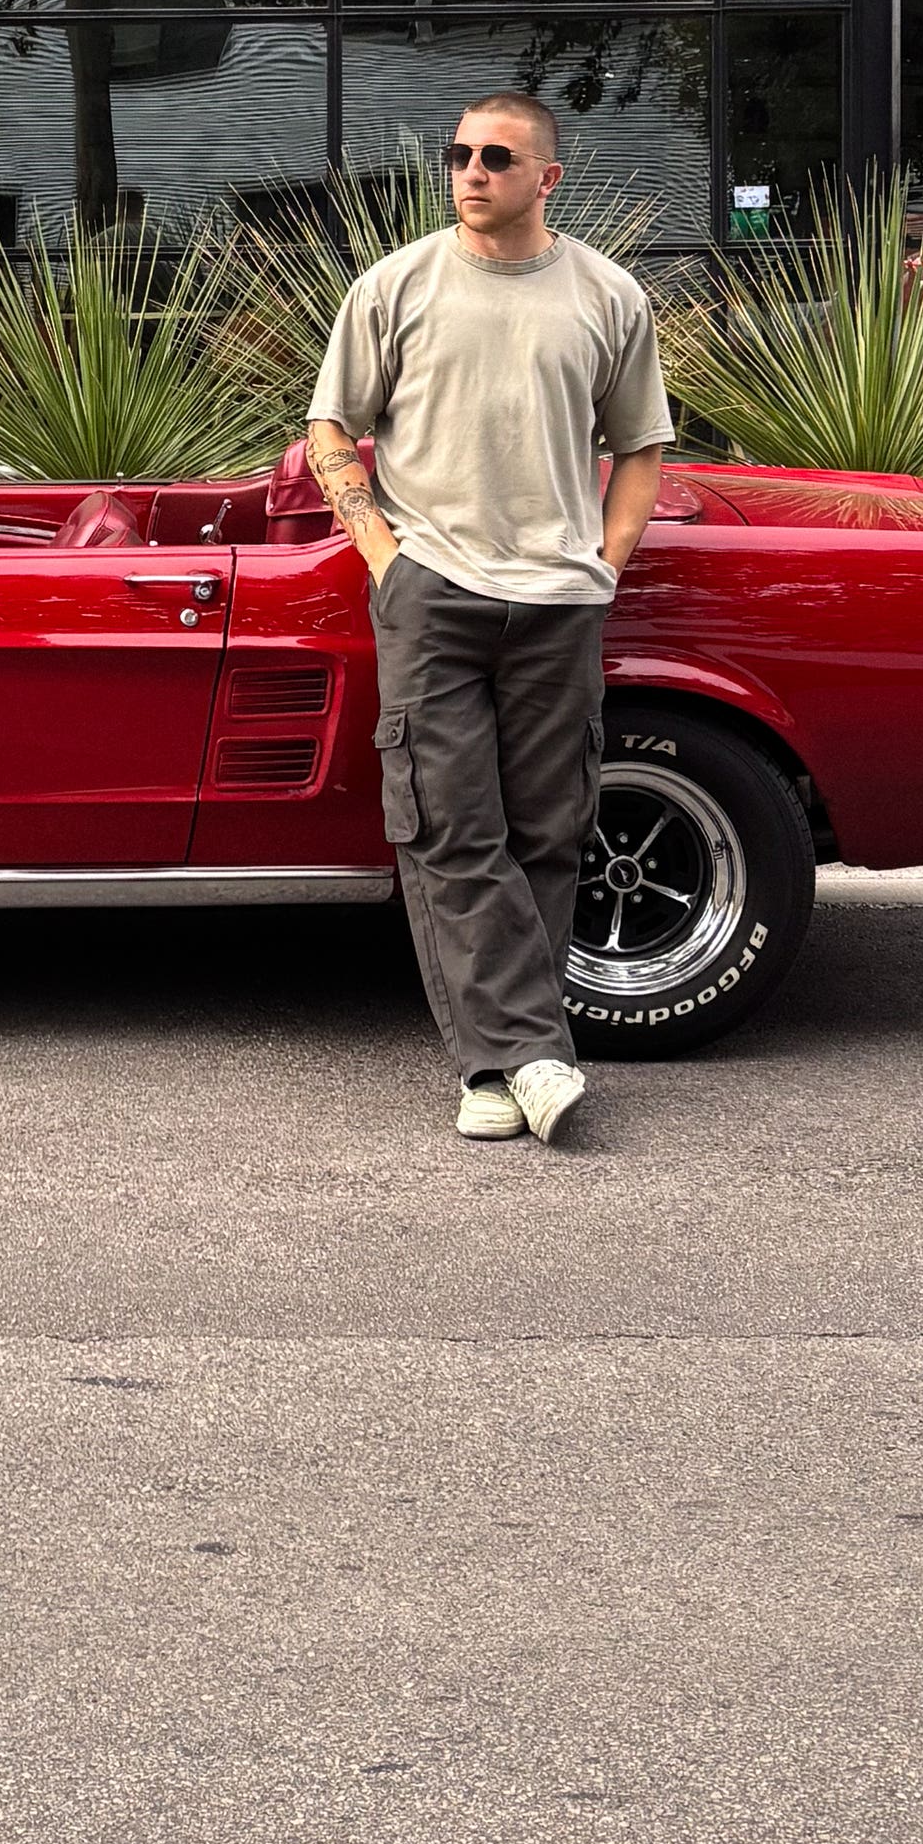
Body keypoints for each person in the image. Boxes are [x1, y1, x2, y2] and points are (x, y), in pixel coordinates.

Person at [304, 93, 674, 1148]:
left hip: (559, 602)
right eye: (461, 154)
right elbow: (333, 422)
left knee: (548, 832)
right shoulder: (397, 286)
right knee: (449, 828)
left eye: (497, 157)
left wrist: (606, 564)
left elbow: (640, 444)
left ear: (545, 177)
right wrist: (385, 556)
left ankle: (497, 1069)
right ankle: (530, 1054)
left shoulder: (608, 296)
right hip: (435, 594)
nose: (471, 171)